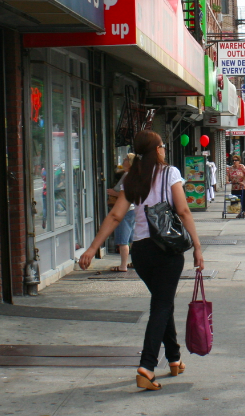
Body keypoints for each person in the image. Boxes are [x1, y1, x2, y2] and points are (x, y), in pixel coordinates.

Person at [79, 130, 204, 391]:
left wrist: (92, 248)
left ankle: (174, 358)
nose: (165, 149)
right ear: (157, 149)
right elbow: (182, 210)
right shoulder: (170, 173)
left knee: (163, 301)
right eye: (162, 146)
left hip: (142, 252)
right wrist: (197, 247)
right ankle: (147, 367)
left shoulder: (131, 177)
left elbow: (115, 216)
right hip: (167, 250)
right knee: (161, 305)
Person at [106, 153, 135, 272]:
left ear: (130, 163)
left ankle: (123, 265)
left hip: (125, 210)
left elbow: (127, 194)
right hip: (132, 210)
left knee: (123, 239)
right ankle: (134, 262)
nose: (123, 160)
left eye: (126, 159)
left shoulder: (128, 176)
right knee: (132, 238)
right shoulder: (131, 175)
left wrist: (113, 193)